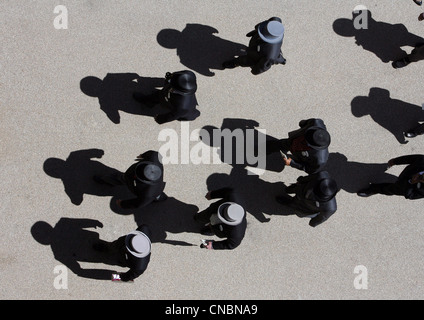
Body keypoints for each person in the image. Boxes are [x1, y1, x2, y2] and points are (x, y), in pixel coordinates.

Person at [93, 150, 167, 209]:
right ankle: (160, 197)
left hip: (132, 182)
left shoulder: (148, 194)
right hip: (155, 189)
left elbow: (137, 204)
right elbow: (154, 153)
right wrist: (143, 155)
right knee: (156, 194)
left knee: (121, 179)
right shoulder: (155, 158)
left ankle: (105, 180)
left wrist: (123, 204)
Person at [222, 17, 286, 75]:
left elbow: (262, 66)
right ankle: (281, 59)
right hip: (258, 46)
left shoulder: (269, 56)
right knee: (252, 50)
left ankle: (235, 63)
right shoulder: (276, 27)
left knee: (245, 61)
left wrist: (254, 71)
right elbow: (276, 19)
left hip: (256, 56)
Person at [133, 70, 200, 124]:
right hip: (166, 96)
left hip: (176, 105)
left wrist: (159, 119)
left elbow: (171, 116)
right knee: (159, 95)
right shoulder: (187, 75)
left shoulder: (183, 107)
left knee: (184, 115)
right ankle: (148, 102)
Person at [266, 118, 331, 174]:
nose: (304, 142)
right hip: (293, 140)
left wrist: (292, 163)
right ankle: (267, 148)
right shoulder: (316, 122)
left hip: (299, 154)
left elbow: (309, 169)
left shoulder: (320, 160)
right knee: (281, 144)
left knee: (282, 144)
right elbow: (302, 123)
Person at [357, 154, 424, 199]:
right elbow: (410, 159)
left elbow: (411, 195)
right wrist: (395, 161)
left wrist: (411, 182)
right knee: (398, 179)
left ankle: (373, 189)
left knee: (389, 189)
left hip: (405, 188)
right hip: (406, 173)